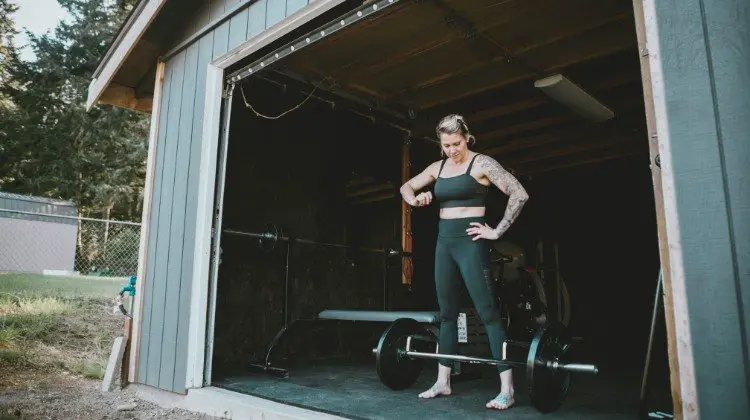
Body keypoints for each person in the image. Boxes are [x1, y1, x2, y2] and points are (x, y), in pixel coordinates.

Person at [399, 114, 529, 411]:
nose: (452, 150)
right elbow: (406, 187)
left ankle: (507, 390)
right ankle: (443, 381)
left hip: (471, 244)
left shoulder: (482, 164)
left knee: (488, 314)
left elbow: (519, 193)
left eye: (456, 143)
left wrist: (496, 231)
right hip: (444, 244)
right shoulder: (438, 167)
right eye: (446, 145)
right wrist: (414, 201)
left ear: (467, 138)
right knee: (446, 313)